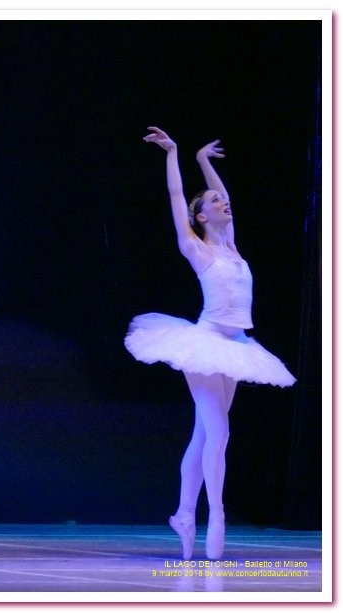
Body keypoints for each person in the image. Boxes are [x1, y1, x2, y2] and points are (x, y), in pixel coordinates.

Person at [126, 126, 295, 560]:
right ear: (202, 217)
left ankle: (184, 514)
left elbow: (219, 197)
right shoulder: (197, 249)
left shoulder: (233, 246)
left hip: (237, 347)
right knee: (219, 429)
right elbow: (177, 198)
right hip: (204, 343)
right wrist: (175, 154)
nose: (224, 202)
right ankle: (214, 515)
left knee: (204, 436)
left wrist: (205, 161)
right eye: (215, 202)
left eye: (225, 201)